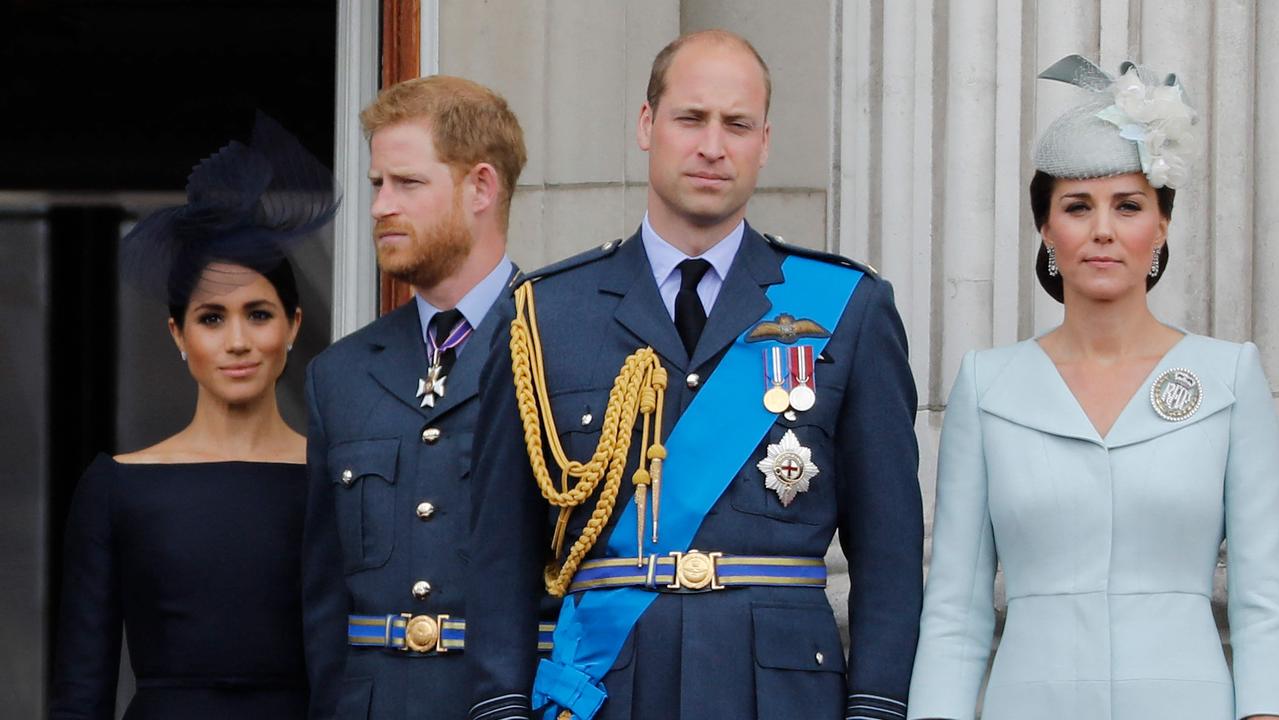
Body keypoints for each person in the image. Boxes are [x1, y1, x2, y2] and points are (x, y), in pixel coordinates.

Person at [466, 29, 922, 720]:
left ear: (764, 142)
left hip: (781, 695)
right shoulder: (545, 314)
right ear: (647, 125)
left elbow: (888, 552)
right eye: (691, 118)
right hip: (606, 692)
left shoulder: (847, 310)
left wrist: (878, 707)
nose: (714, 145)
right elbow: (500, 553)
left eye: (737, 124)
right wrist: (501, 707)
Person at [906, 55, 1279, 720]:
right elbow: (956, 610)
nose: (1103, 229)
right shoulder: (987, 386)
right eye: (1077, 207)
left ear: (1160, 226)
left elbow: (1263, 601)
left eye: (1128, 206)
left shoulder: (1229, 378)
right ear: (1047, 230)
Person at [49, 115, 339, 720]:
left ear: (294, 326)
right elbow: (81, 688)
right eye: (212, 318)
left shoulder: (335, 480)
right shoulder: (116, 486)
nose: (237, 341)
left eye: (258, 314)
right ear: (179, 334)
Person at [300, 75, 529, 720]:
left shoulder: (566, 345)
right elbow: (324, 604)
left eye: (407, 183)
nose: (379, 206)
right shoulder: (339, 374)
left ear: (480, 187)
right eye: (378, 184)